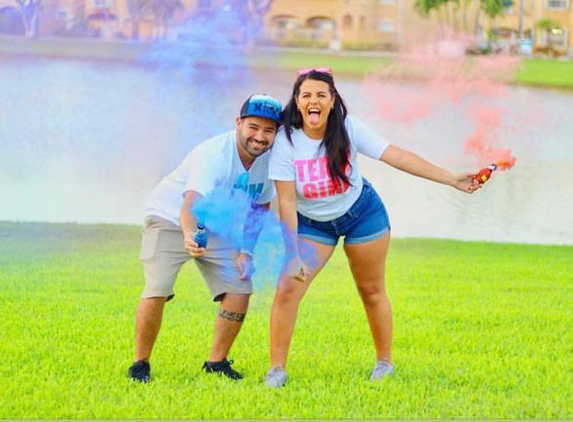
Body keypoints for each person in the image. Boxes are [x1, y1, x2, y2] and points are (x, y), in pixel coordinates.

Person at [265, 68, 481, 388]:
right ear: (297, 102)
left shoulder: (347, 128)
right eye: (306, 95)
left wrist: (451, 179)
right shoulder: (285, 142)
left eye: (321, 95)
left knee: (371, 289)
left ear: (332, 100)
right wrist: (293, 252)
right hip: (313, 224)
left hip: (361, 213)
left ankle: (384, 363)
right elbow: (286, 203)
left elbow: (396, 156)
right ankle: (277, 370)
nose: (314, 101)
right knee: (287, 289)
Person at [128, 94, 283, 383]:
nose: (260, 137)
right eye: (253, 127)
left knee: (240, 286)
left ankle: (216, 363)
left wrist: (246, 251)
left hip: (214, 224)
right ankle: (140, 365)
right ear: (238, 123)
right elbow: (190, 204)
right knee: (158, 286)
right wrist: (189, 234)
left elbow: (259, 207)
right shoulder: (214, 155)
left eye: (269, 130)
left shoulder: (271, 161)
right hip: (170, 218)